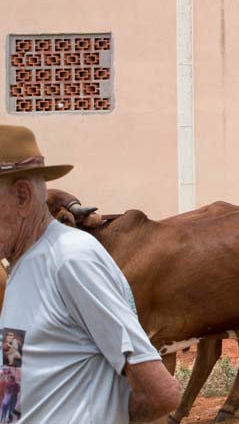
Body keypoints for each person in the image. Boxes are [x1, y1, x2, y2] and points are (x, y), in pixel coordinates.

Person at [0, 124, 180, 423]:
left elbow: (161, 394)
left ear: (21, 196)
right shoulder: (21, 265)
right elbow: (14, 383)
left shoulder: (71, 259)